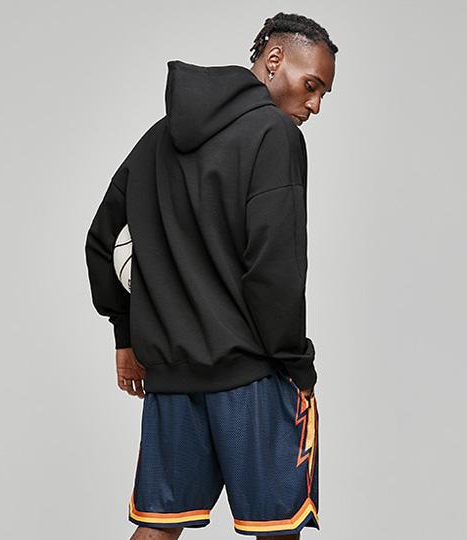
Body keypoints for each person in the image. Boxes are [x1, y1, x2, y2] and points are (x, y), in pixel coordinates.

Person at [85, 11, 337, 540]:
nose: (314, 105)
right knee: (278, 531)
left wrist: (126, 337)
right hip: (252, 377)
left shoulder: (157, 139)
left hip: (173, 381)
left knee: (158, 528)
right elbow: (275, 269)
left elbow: (103, 240)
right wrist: (296, 365)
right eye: (311, 85)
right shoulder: (274, 135)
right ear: (274, 59)